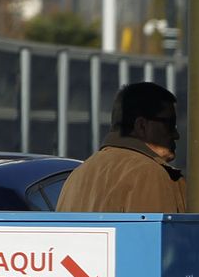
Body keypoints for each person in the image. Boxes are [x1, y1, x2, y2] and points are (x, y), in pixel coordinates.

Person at [56, 81, 186, 213]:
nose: (176, 135)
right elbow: (154, 233)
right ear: (141, 125)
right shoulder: (148, 173)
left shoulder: (78, 174)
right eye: (170, 124)